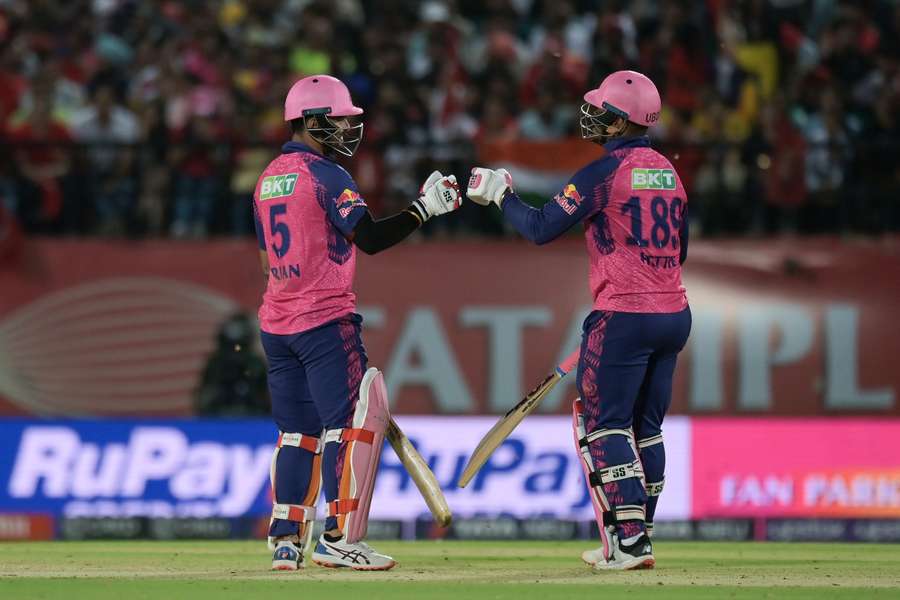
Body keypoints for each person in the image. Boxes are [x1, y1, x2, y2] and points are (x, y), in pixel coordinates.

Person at [467, 70, 690, 571]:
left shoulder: (603, 172)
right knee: (646, 431)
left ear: (619, 120)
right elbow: (682, 248)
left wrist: (502, 194)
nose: (590, 117)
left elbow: (543, 227)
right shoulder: (669, 172)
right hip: (674, 312)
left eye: (600, 111)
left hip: (626, 314)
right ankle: (638, 536)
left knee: (605, 426)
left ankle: (629, 542)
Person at [252, 74, 461, 571]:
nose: (348, 128)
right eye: (340, 119)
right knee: (347, 428)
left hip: (278, 323)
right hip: (324, 322)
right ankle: (339, 538)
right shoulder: (326, 176)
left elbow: (266, 263)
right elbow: (368, 236)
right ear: (310, 121)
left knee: (295, 434)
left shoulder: (266, 179)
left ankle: (286, 540)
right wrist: (423, 209)